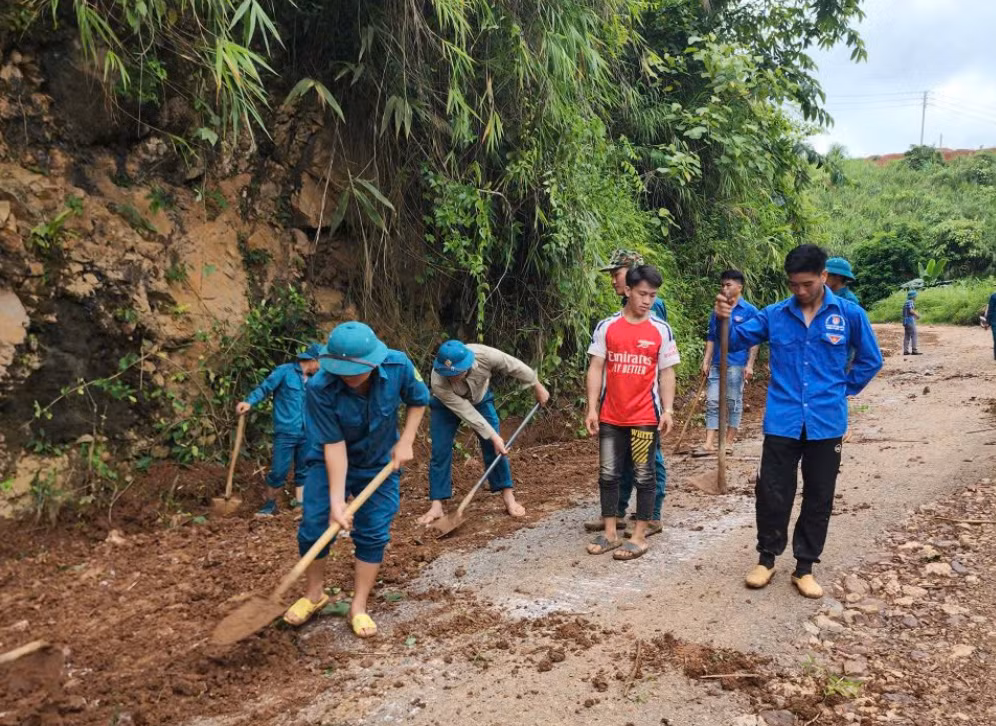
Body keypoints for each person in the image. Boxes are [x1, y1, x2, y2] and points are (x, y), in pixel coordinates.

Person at [714, 244, 882, 598]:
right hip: (783, 419)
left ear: (823, 276)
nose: (801, 291)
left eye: (807, 284)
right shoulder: (775, 315)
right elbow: (732, 342)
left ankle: (805, 566)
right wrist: (723, 317)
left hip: (826, 422)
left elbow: (870, 360)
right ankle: (766, 558)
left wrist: (842, 390)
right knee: (773, 492)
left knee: (819, 494)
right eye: (794, 285)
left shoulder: (850, 315)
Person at [285, 322, 428, 636]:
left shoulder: (398, 364)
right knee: (314, 526)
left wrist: (406, 440)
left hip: (379, 461)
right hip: (327, 459)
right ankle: (314, 594)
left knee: (374, 531)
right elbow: (334, 447)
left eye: (354, 371)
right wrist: (338, 502)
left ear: (373, 361)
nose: (347, 378)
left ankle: (358, 606)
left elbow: (418, 400)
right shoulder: (319, 387)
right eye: (341, 370)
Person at [585, 265, 679, 561]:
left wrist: (668, 409)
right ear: (628, 291)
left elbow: (667, 373)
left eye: (652, 295)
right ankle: (611, 532)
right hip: (611, 416)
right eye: (642, 294)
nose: (648, 301)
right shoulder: (607, 327)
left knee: (644, 475)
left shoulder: (661, 330)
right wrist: (591, 407)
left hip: (644, 418)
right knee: (608, 475)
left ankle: (638, 536)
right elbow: (596, 367)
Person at [417, 340, 550, 525]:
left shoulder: (485, 355)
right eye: (447, 373)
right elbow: (466, 412)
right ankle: (437, 505)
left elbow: (513, 366)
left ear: (466, 365)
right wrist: (493, 435)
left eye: (455, 373)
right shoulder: (439, 381)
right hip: (446, 405)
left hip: (480, 398)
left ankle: (508, 497)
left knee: (496, 447)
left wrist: (536, 384)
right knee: (440, 450)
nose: (451, 377)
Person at [236, 343, 323, 516]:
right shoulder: (284, 372)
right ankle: (269, 505)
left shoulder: (317, 379)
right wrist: (249, 402)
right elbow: (265, 388)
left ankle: (301, 506)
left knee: (304, 469)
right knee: (279, 470)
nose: (322, 368)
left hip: (308, 431)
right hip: (286, 431)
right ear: (313, 360)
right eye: (321, 363)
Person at [697, 269, 759, 455]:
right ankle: (708, 443)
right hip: (717, 362)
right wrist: (706, 360)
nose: (724, 288)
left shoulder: (749, 311)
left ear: (739, 287)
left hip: (737, 363)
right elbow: (711, 337)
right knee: (713, 401)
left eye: (728, 285)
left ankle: (728, 442)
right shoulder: (717, 310)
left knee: (733, 401)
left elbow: (754, 341)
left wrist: (750, 364)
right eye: (723, 285)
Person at [903, 289, 921, 355]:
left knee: (907, 336)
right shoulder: (910, 301)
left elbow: (908, 312)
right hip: (910, 321)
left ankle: (905, 351)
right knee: (914, 334)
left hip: (905, 321)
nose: (916, 297)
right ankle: (914, 350)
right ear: (913, 296)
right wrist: (917, 315)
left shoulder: (906, 302)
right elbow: (911, 311)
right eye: (915, 296)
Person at [984, 290, 996, 359]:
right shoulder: (993, 296)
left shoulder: (993, 296)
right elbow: (990, 310)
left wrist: (987, 322)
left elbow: (990, 310)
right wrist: (987, 322)